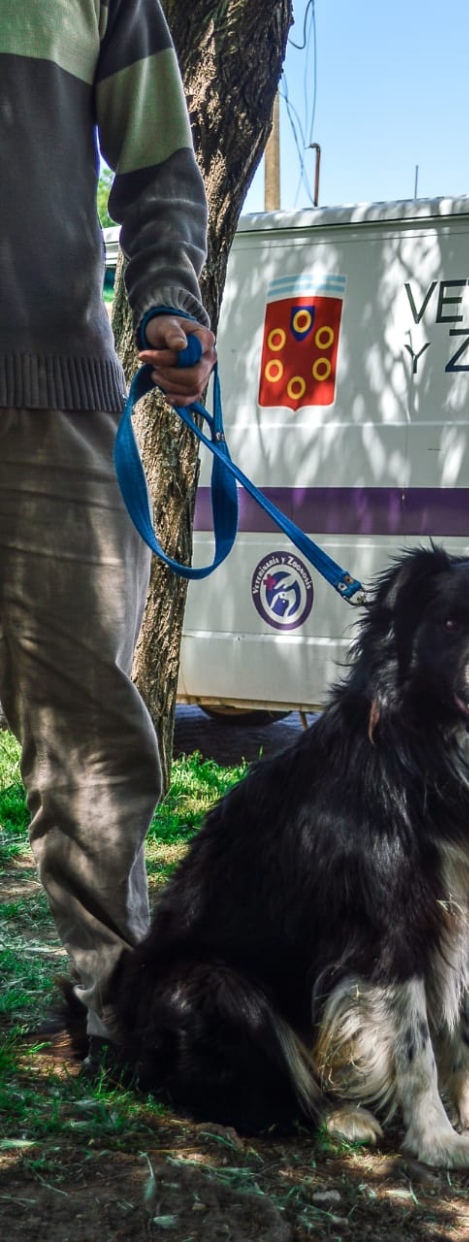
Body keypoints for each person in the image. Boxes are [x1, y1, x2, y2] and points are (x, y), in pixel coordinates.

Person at [0, 0, 217, 1068]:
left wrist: (168, 295)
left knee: (92, 725)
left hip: (55, 397)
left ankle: (115, 1006)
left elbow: (159, 166)